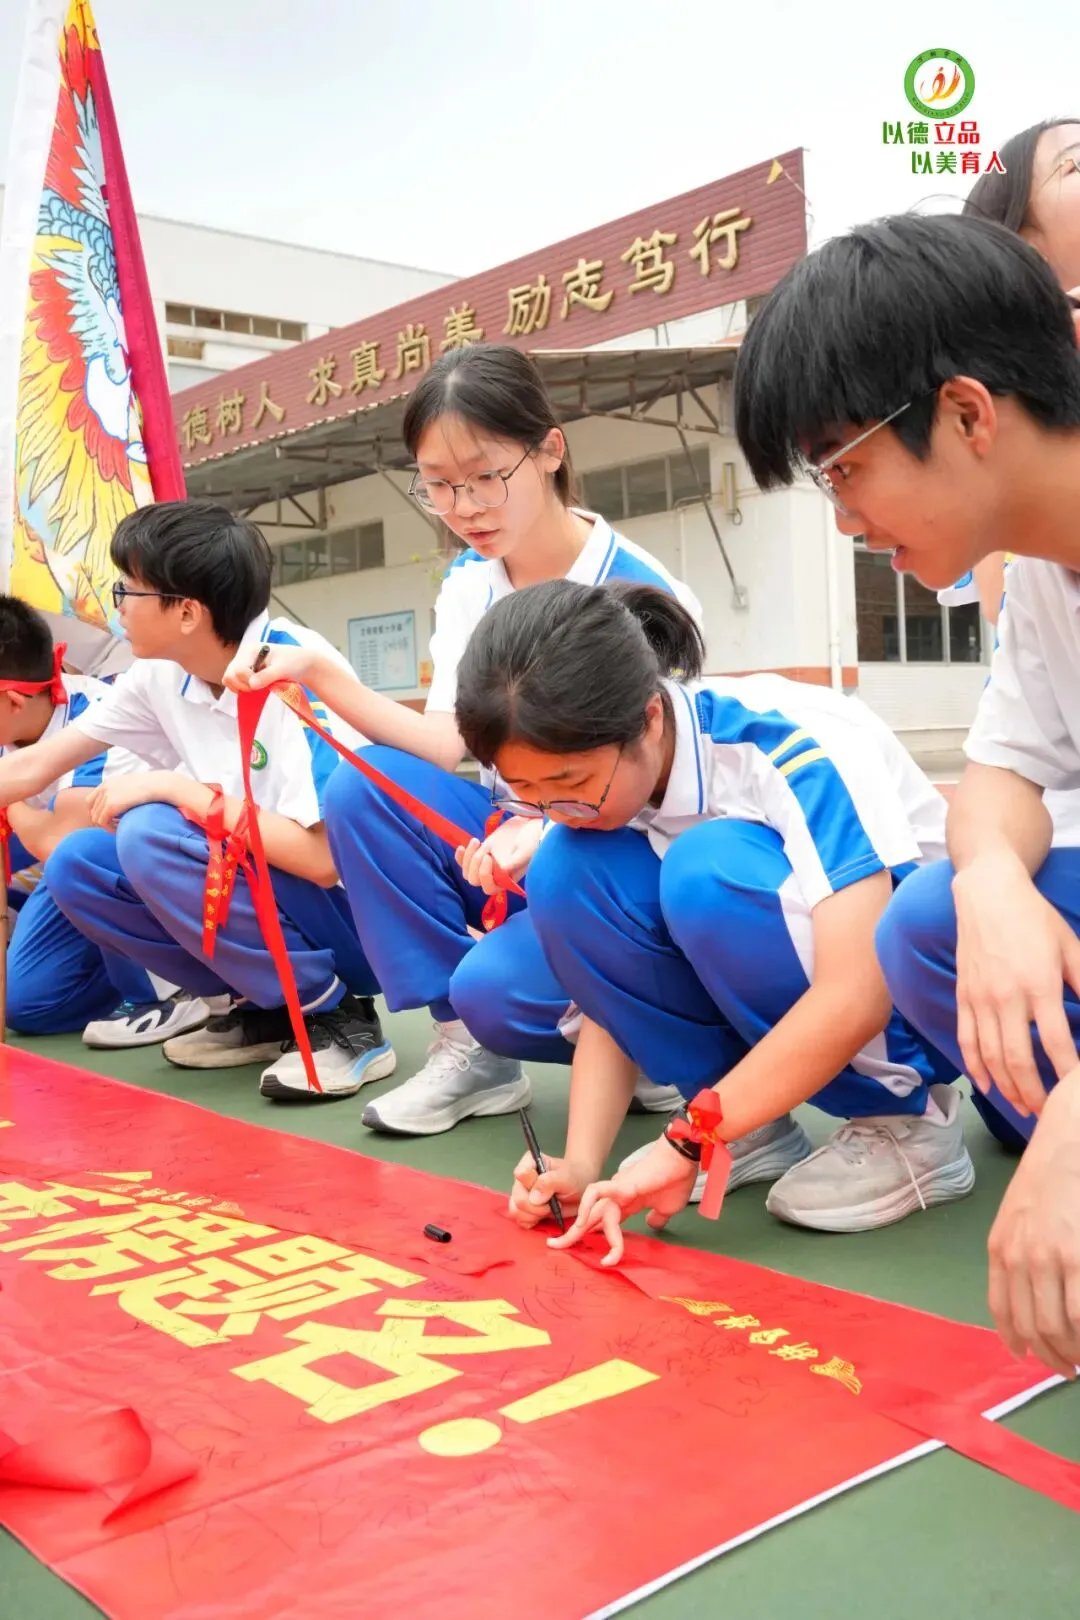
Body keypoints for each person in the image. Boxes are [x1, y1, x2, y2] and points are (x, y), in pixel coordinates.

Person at [731, 208, 1080, 1375]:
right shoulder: (1043, 575)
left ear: (969, 413)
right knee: (935, 916)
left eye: (846, 469)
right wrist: (989, 877)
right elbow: (1002, 772)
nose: (847, 520)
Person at [228, 344, 697, 1133]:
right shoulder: (470, 584)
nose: (466, 505)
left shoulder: (641, 594)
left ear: (550, 450)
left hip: (610, 845)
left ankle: (651, 1028)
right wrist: (318, 673)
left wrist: (548, 830)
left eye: (485, 475)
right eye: (439, 485)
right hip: (507, 836)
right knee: (365, 785)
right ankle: (470, 1049)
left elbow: (664, 793)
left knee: (518, 975)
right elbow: (448, 745)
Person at [450, 577, 968, 1255]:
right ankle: (747, 1125)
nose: (555, 811)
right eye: (527, 793)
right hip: (818, 978)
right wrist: (579, 1164)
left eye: (572, 785)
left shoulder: (789, 747)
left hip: (937, 1004)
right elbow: (611, 991)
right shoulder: (606, 790)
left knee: (704, 869)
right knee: (564, 870)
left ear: (649, 720)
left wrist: (688, 1139)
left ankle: (907, 1121)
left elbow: (858, 990)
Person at [0, 501, 392, 1099]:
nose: (117, 606)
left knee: (150, 831)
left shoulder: (288, 670)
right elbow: (35, 767)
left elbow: (323, 860)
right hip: (261, 889)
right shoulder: (160, 675)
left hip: (353, 923)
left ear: (185, 611)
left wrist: (174, 788)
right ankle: (261, 1006)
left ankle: (337, 1018)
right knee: (80, 864)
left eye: (128, 590)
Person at [0, 595, 202, 1040]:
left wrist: (10, 800)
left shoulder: (99, 715)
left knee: (77, 853)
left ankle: (173, 981)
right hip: (64, 867)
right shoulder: (14, 722)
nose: (124, 605)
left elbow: (61, 841)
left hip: (120, 862)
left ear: (13, 702)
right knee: (30, 1007)